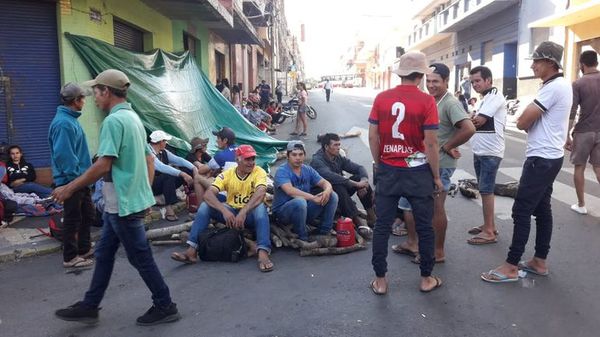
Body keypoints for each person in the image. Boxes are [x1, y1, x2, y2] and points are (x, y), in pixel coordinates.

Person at [53, 69, 180, 325]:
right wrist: (143, 192)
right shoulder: (132, 118)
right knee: (104, 253)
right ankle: (90, 304)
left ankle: (165, 304)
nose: (93, 99)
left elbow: (103, 165)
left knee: (140, 257)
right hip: (121, 203)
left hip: (122, 204)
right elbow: (148, 159)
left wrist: (69, 188)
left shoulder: (113, 121)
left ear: (107, 91)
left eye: (96, 93)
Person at [481, 41, 572, 283]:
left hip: (541, 159)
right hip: (550, 156)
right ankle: (539, 261)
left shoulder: (552, 88)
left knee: (521, 210)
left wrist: (528, 114)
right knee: (542, 209)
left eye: (537, 61)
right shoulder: (559, 84)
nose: (533, 66)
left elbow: (522, 122)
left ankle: (511, 265)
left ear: (550, 63)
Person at [368, 51, 443, 295]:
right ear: (421, 75)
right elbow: (431, 143)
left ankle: (380, 280)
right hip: (417, 170)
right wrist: (436, 176)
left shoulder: (381, 98)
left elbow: (373, 135)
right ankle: (426, 278)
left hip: (389, 169)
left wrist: (380, 163)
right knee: (424, 226)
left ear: (401, 73)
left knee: (382, 226)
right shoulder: (427, 101)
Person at [394, 63, 475, 264]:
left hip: (440, 163)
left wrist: (448, 146)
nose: (431, 85)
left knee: (436, 207)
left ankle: (438, 252)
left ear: (446, 81)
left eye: (436, 81)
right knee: (406, 203)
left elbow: (468, 128)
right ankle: (412, 243)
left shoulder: (450, 103)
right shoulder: (429, 100)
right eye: (428, 81)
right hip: (419, 159)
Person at [171, 145, 274, 272]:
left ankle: (263, 251)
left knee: (260, 208)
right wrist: (224, 210)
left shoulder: (258, 171)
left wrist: (243, 211)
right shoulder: (227, 174)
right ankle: (191, 250)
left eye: (253, 159)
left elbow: (261, 193)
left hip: (250, 214)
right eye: (247, 159)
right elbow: (208, 195)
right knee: (204, 206)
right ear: (238, 160)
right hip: (232, 213)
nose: (251, 162)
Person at [48, 83, 94, 269]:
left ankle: (83, 249)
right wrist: (76, 180)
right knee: (73, 218)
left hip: (80, 178)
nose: (85, 101)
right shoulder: (64, 123)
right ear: (76, 101)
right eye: (83, 98)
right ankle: (70, 257)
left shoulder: (70, 120)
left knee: (87, 215)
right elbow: (64, 155)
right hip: (72, 180)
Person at [467, 65, 506, 245]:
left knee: (486, 190)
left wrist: (464, 122)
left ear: (488, 80)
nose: (475, 84)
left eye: (478, 81)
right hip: (480, 151)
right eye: (472, 81)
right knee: (484, 190)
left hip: (490, 153)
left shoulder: (495, 97)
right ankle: (488, 224)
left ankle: (489, 231)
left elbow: (478, 121)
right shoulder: (484, 99)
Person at [272, 141, 338, 243]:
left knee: (332, 196)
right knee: (300, 201)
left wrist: (327, 191)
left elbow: (326, 183)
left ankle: (324, 231)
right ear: (288, 156)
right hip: (284, 214)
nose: (298, 158)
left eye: (301, 154)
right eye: (294, 155)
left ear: (304, 155)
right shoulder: (282, 171)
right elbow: (290, 191)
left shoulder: (307, 169)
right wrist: (313, 198)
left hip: (304, 210)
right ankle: (302, 236)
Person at [310, 133, 375, 238]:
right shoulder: (317, 161)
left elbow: (359, 168)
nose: (338, 148)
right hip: (321, 194)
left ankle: (371, 216)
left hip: (339, 190)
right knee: (337, 185)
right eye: (335, 145)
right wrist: (356, 184)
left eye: (339, 144)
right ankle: (358, 222)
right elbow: (331, 177)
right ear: (326, 147)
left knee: (359, 177)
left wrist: (363, 181)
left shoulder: (337, 157)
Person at [565, 50, 600, 215]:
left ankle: (581, 204)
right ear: (597, 63)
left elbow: (572, 111)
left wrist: (567, 135)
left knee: (579, 167)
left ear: (582, 64)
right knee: (599, 168)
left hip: (584, 131)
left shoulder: (578, 83)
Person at [147, 130, 195, 221]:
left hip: (162, 182)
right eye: (165, 141)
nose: (166, 143)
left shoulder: (163, 152)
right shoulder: (148, 152)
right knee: (168, 176)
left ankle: (192, 199)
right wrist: (182, 173)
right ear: (160, 142)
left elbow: (178, 160)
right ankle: (169, 208)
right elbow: (161, 167)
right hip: (150, 184)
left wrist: (193, 168)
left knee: (186, 170)